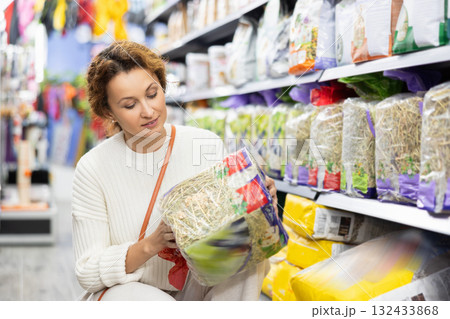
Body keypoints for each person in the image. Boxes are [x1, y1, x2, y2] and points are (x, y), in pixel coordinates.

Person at [72, 41, 278, 301]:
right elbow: (87, 271)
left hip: (194, 285)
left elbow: (238, 230)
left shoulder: (204, 143)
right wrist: (150, 245)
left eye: (152, 93)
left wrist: (257, 200)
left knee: (245, 257)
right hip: (131, 294)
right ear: (108, 111)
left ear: (162, 86)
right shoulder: (93, 168)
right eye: (129, 105)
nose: (149, 111)